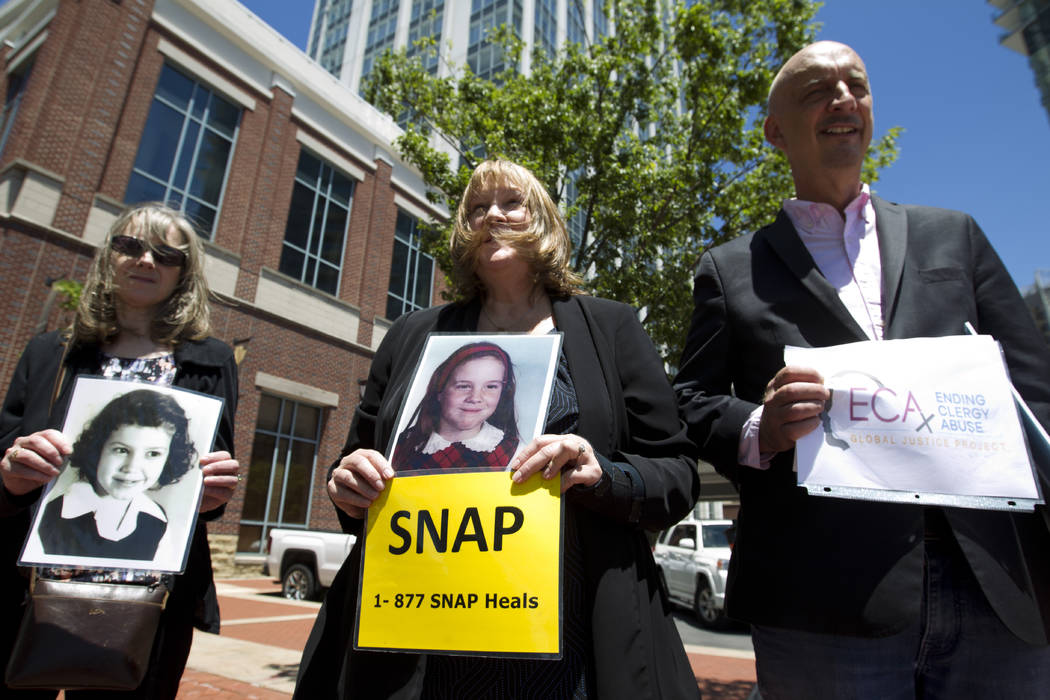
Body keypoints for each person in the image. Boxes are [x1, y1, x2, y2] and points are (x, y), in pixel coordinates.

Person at [674, 40, 1050, 699]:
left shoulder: (954, 235)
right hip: (824, 605)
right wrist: (763, 427)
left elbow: (1035, 390)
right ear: (775, 132)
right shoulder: (729, 270)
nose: (844, 97)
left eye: (857, 85)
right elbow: (691, 401)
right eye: (819, 88)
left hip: (995, 585)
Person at [295, 159, 701, 699]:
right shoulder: (414, 335)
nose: (491, 215)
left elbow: (676, 475)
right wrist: (347, 483)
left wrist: (603, 474)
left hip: (571, 644)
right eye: (476, 208)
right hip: (424, 640)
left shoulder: (612, 327)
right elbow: (354, 464)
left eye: (511, 202)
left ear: (545, 222)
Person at [0, 203, 240, 699]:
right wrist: (11, 473)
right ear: (109, 256)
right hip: (34, 595)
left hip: (147, 603)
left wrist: (213, 493)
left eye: (165, 253)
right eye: (130, 246)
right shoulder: (52, 352)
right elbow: (6, 455)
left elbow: (211, 471)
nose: (146, 261)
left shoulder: (211, 361)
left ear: (185, 272)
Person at [37, 389, 197, 561]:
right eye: (121, 450)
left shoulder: (157, 521)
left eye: (153, 454)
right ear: (97, 449)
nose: (132, 467)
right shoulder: (51, 515)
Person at [390, 341, 520, 471]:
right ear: (440, 390)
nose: (475, 398)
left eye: (491, 386)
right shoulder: (403, 444)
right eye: (463, 386)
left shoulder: (514, 453)